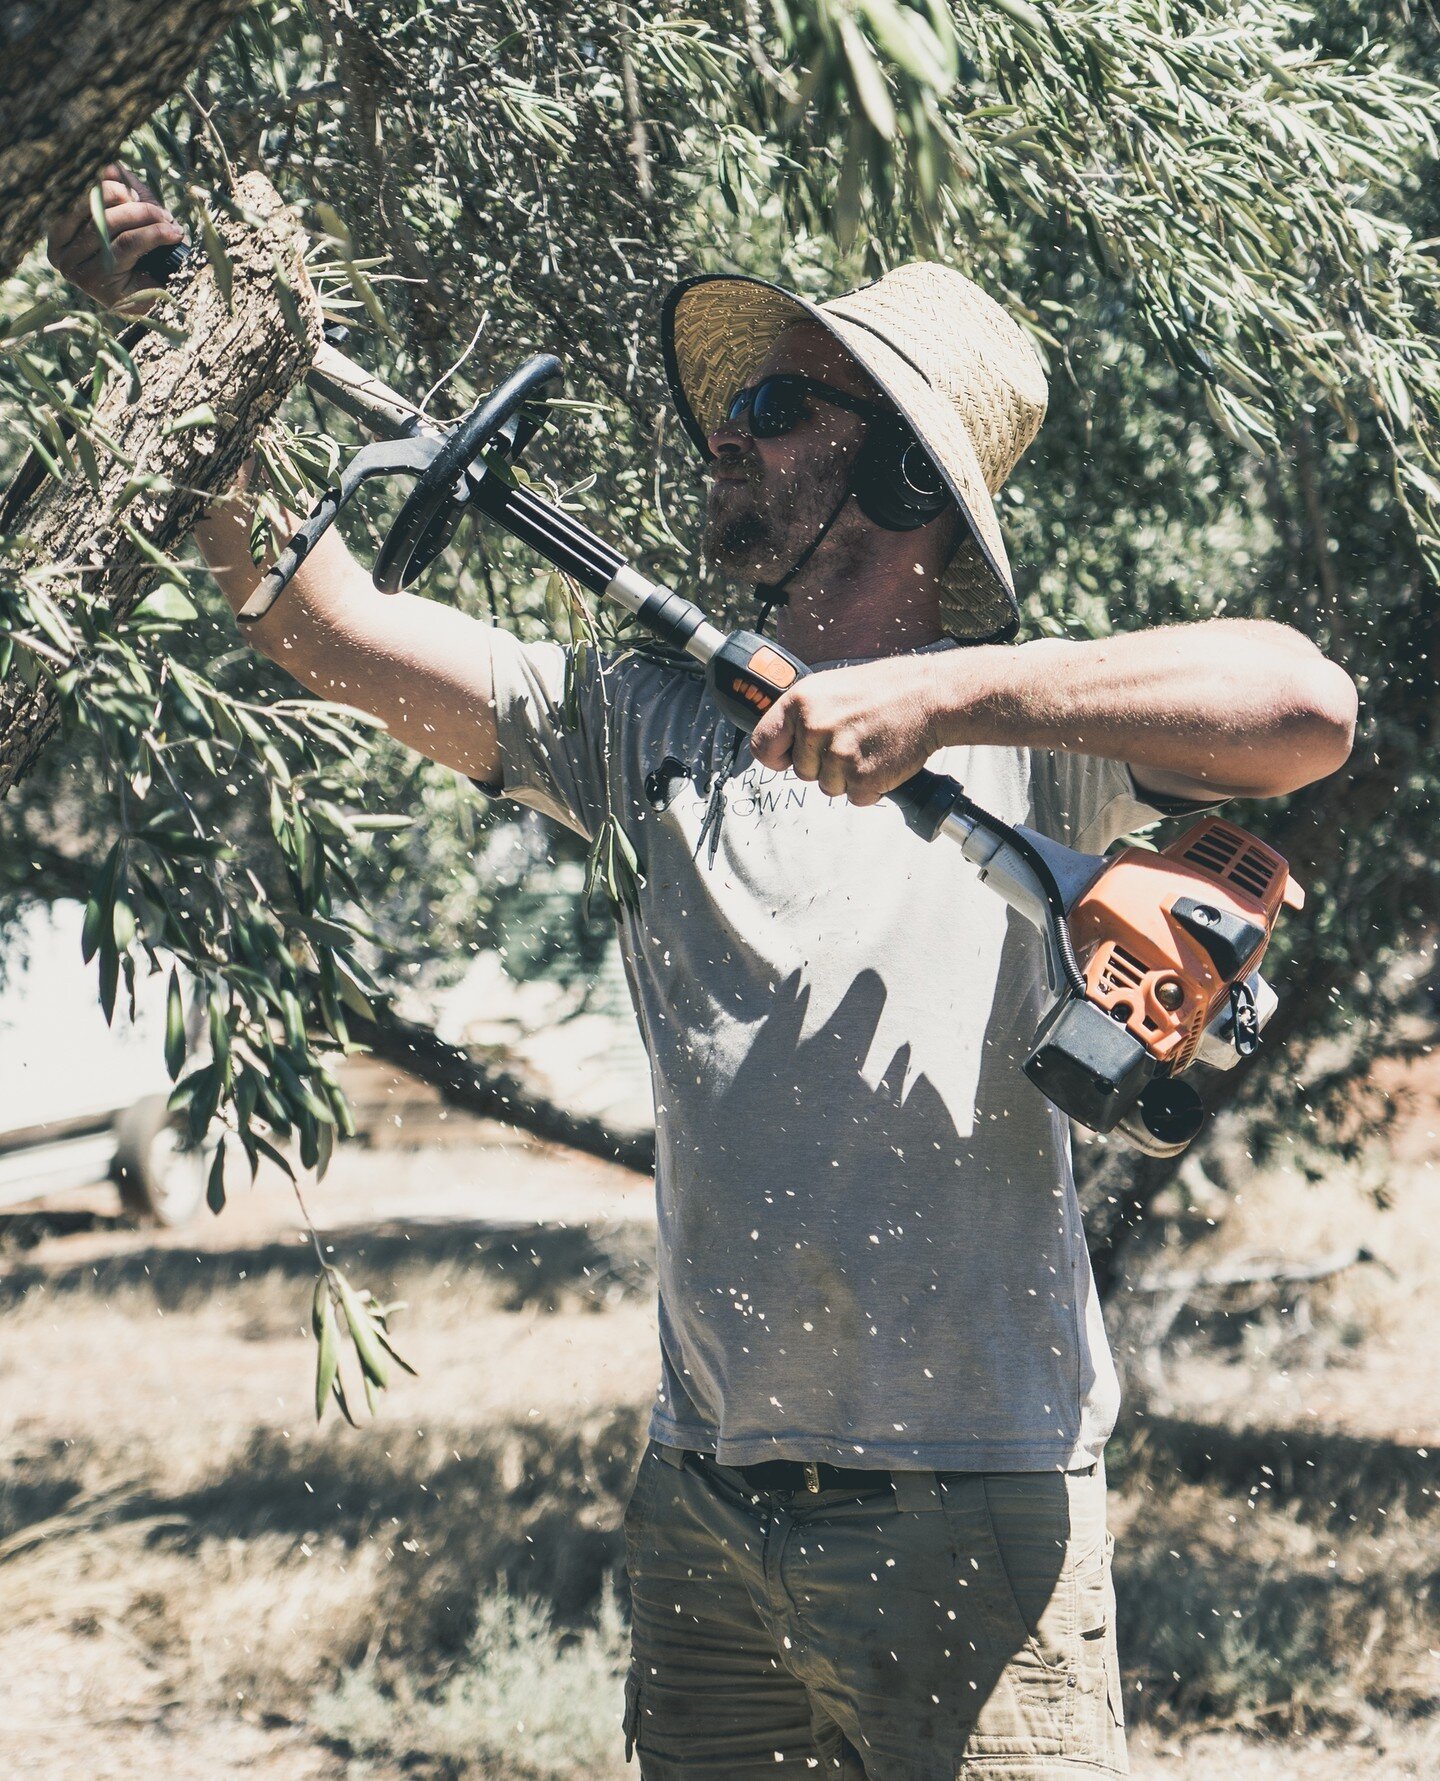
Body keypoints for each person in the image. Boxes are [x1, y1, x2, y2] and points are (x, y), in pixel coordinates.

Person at [51, 171, 1356, 1779]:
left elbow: (1308, 705)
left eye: (772, 406)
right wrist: (188, 345)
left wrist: (945, 702)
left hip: (972, 1498)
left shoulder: (1047, 751)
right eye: (734, 404)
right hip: (708, 1503)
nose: (722, 434)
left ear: (895, 465)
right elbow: (317, 625)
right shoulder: (648, 722)